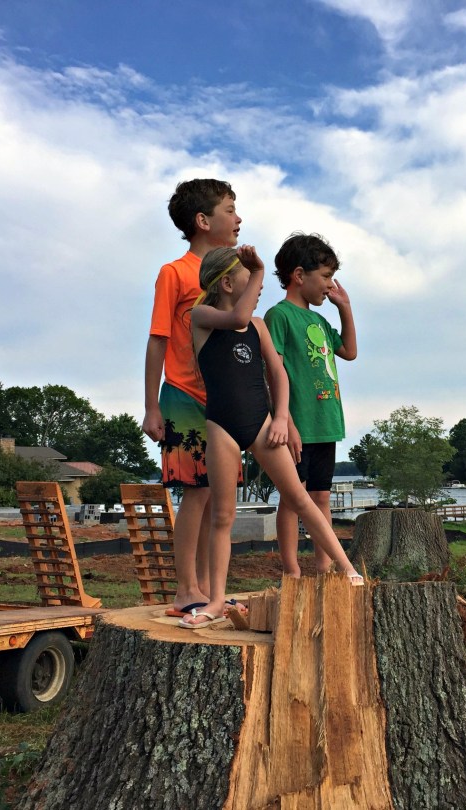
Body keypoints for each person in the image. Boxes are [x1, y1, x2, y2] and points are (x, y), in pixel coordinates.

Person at [181, 245, 363, 629]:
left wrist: (281, 417)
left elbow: (278, 374)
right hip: (222, 428)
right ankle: (216, 600)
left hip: (262, 424)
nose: (258, 284)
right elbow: (236, 316)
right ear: (227, 283)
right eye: (247, 277)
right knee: (223, 515)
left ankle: (348, 569)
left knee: (301, 499)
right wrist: (260, 270)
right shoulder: (202, 317)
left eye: (257, 277)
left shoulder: (260, 325)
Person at [142, 179, 241, 617]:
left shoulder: (231, 274)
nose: (238, 219)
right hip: (183, 395)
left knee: (218, 497)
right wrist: (151, 406)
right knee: (196, 494)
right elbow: (158, 339)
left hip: (223, 400)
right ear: (202, 221)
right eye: (229, 210)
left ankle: (208, 590)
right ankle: (186, 590)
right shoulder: (175, 272)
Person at [263, 233, 357, 576]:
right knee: (292, 498)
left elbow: (349, 351)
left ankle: (324, 567)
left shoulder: (319, 321)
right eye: (326, 276)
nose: (330, 285)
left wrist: (345, 308)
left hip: (325, 423)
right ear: (299, 275)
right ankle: (291, 571)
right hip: (296, 425)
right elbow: (271, 372)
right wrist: (285, 421)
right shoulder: (279, 316)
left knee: (321, 498)